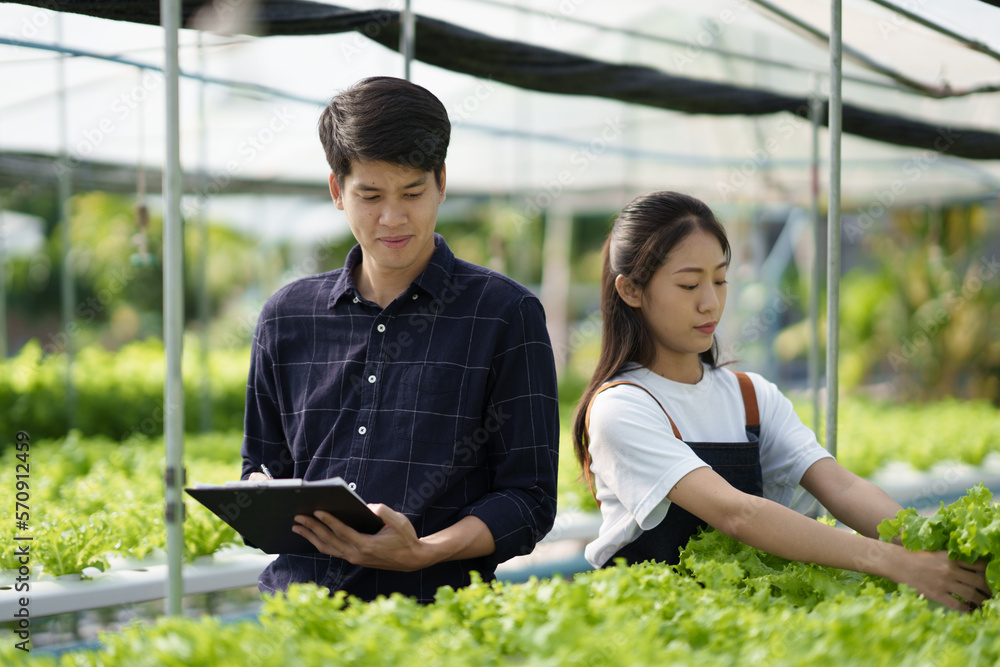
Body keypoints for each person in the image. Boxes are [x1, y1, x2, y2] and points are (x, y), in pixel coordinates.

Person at [572, 190, 991, 612]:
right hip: (651, 629)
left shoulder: (750, 396)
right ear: (630, 291)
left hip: (738, 625)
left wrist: (932, 548)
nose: (710, 302)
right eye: (688, 284)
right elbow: (738, 515)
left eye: (720, 280)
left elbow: (840, 486)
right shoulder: (622, 409)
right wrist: (896, 563)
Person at [240, 76, 559, 603]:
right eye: (369, 195)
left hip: (439, 621)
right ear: (337, 191)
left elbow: (529, 498)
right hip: (301, 616)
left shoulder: (504, 313)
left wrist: (426, 550)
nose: (392, 218)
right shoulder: (285, 318)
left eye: (412, 192)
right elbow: (263, 466)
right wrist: (258, 494)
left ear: (441, 183)